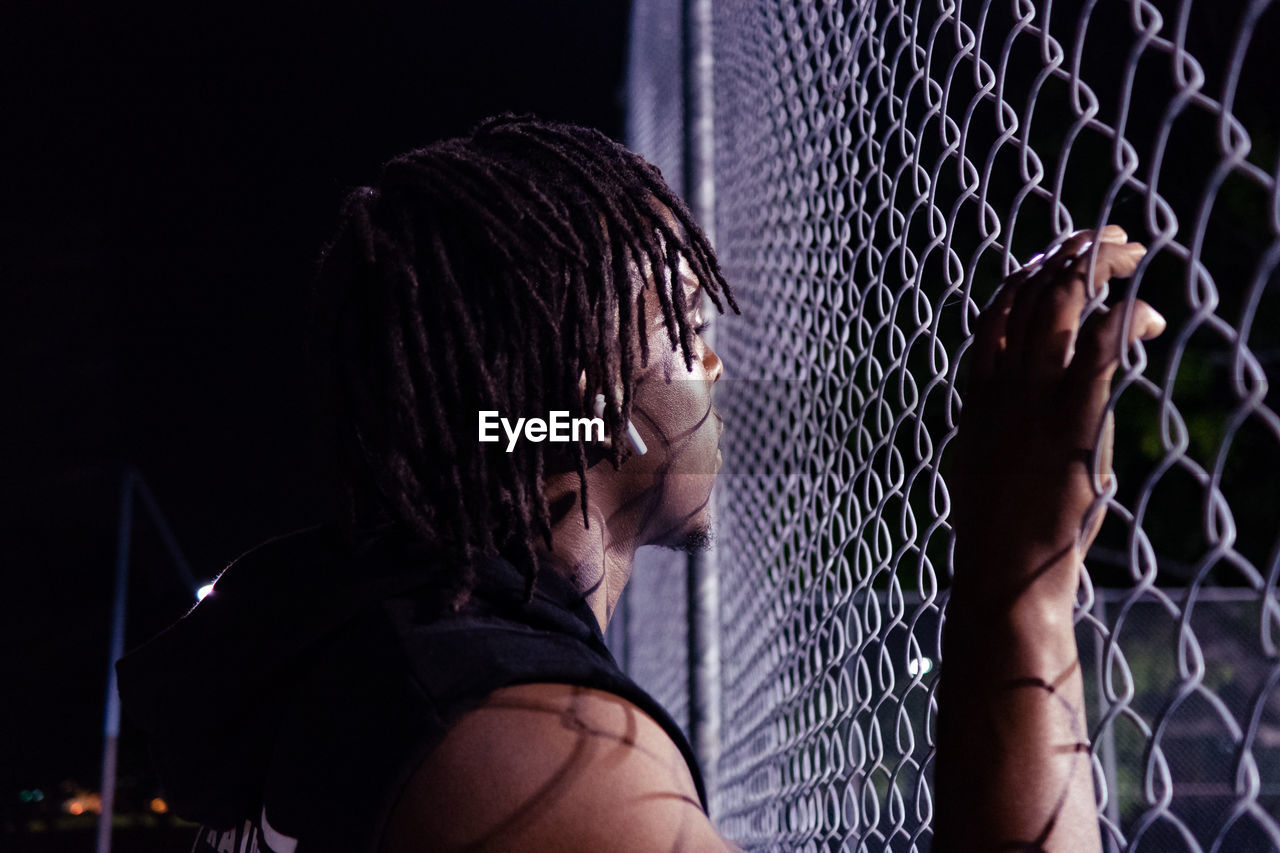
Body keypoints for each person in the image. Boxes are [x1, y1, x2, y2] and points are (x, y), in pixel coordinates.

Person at [117, 115, 1164, 852]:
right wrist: (1017, 581)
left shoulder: (381, 652)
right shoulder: (515, 743)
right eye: (691, 332)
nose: (716, 370)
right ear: (592, 390)